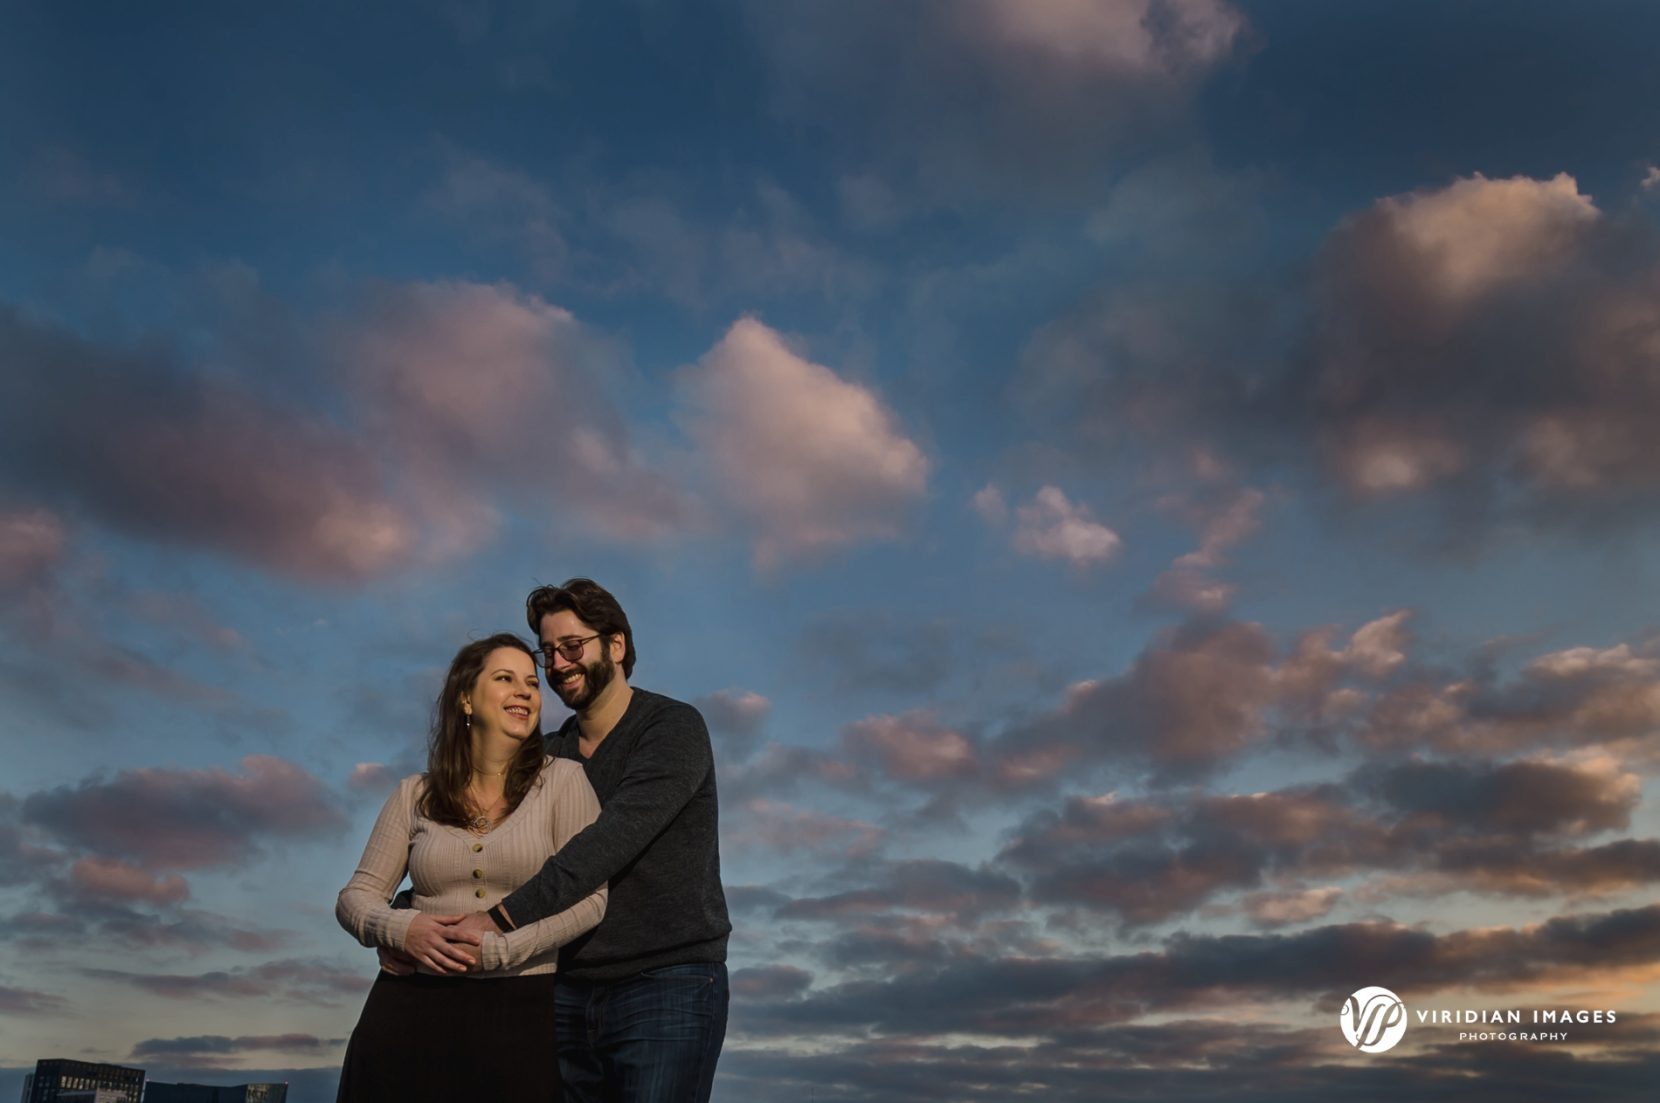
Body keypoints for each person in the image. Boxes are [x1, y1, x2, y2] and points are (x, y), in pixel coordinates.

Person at [388, 579, 731, 1103]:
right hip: (559, 986)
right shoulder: (547, 757)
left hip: (667, 983)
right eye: (547, 652)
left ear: (615, 646)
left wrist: (498, 919)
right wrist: (408, 922)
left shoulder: (672, 729)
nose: (557, 664)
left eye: (572, 646)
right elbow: (483, 846)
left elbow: (607, 843)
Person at [335, 633, 607, 1103]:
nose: (525, 691)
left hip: (522, 1012)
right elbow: (355, 897)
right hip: (407, 1007)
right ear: (466, 698)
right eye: (505, 679)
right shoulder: (412, 794)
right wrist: (404, 929)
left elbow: (591, 900)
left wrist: (502, 950)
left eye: (531, 682)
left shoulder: (564, 781)